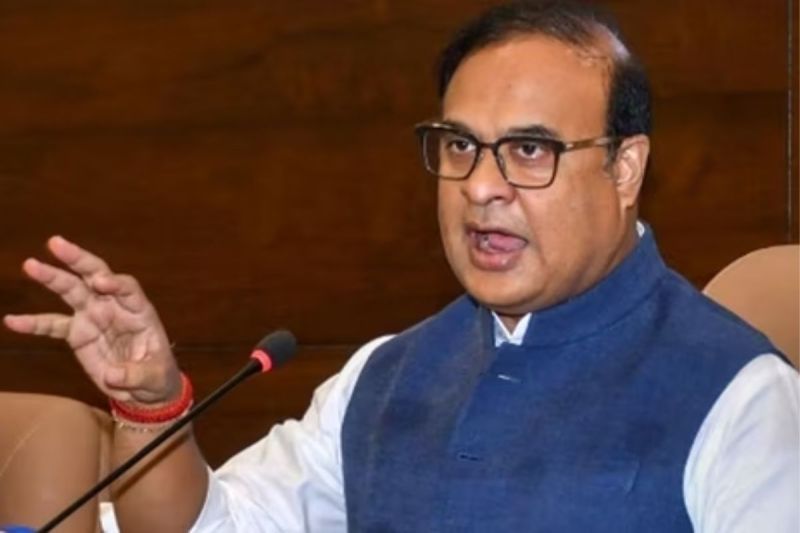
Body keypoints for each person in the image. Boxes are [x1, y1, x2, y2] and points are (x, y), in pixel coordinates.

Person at [4, 1, 798, 531]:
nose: (480, 187)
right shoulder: (385, 377)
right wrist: (151, 406)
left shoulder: (742, 397)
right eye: (460, 145)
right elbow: (214, 525)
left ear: (624, 169)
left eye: (529, 150)